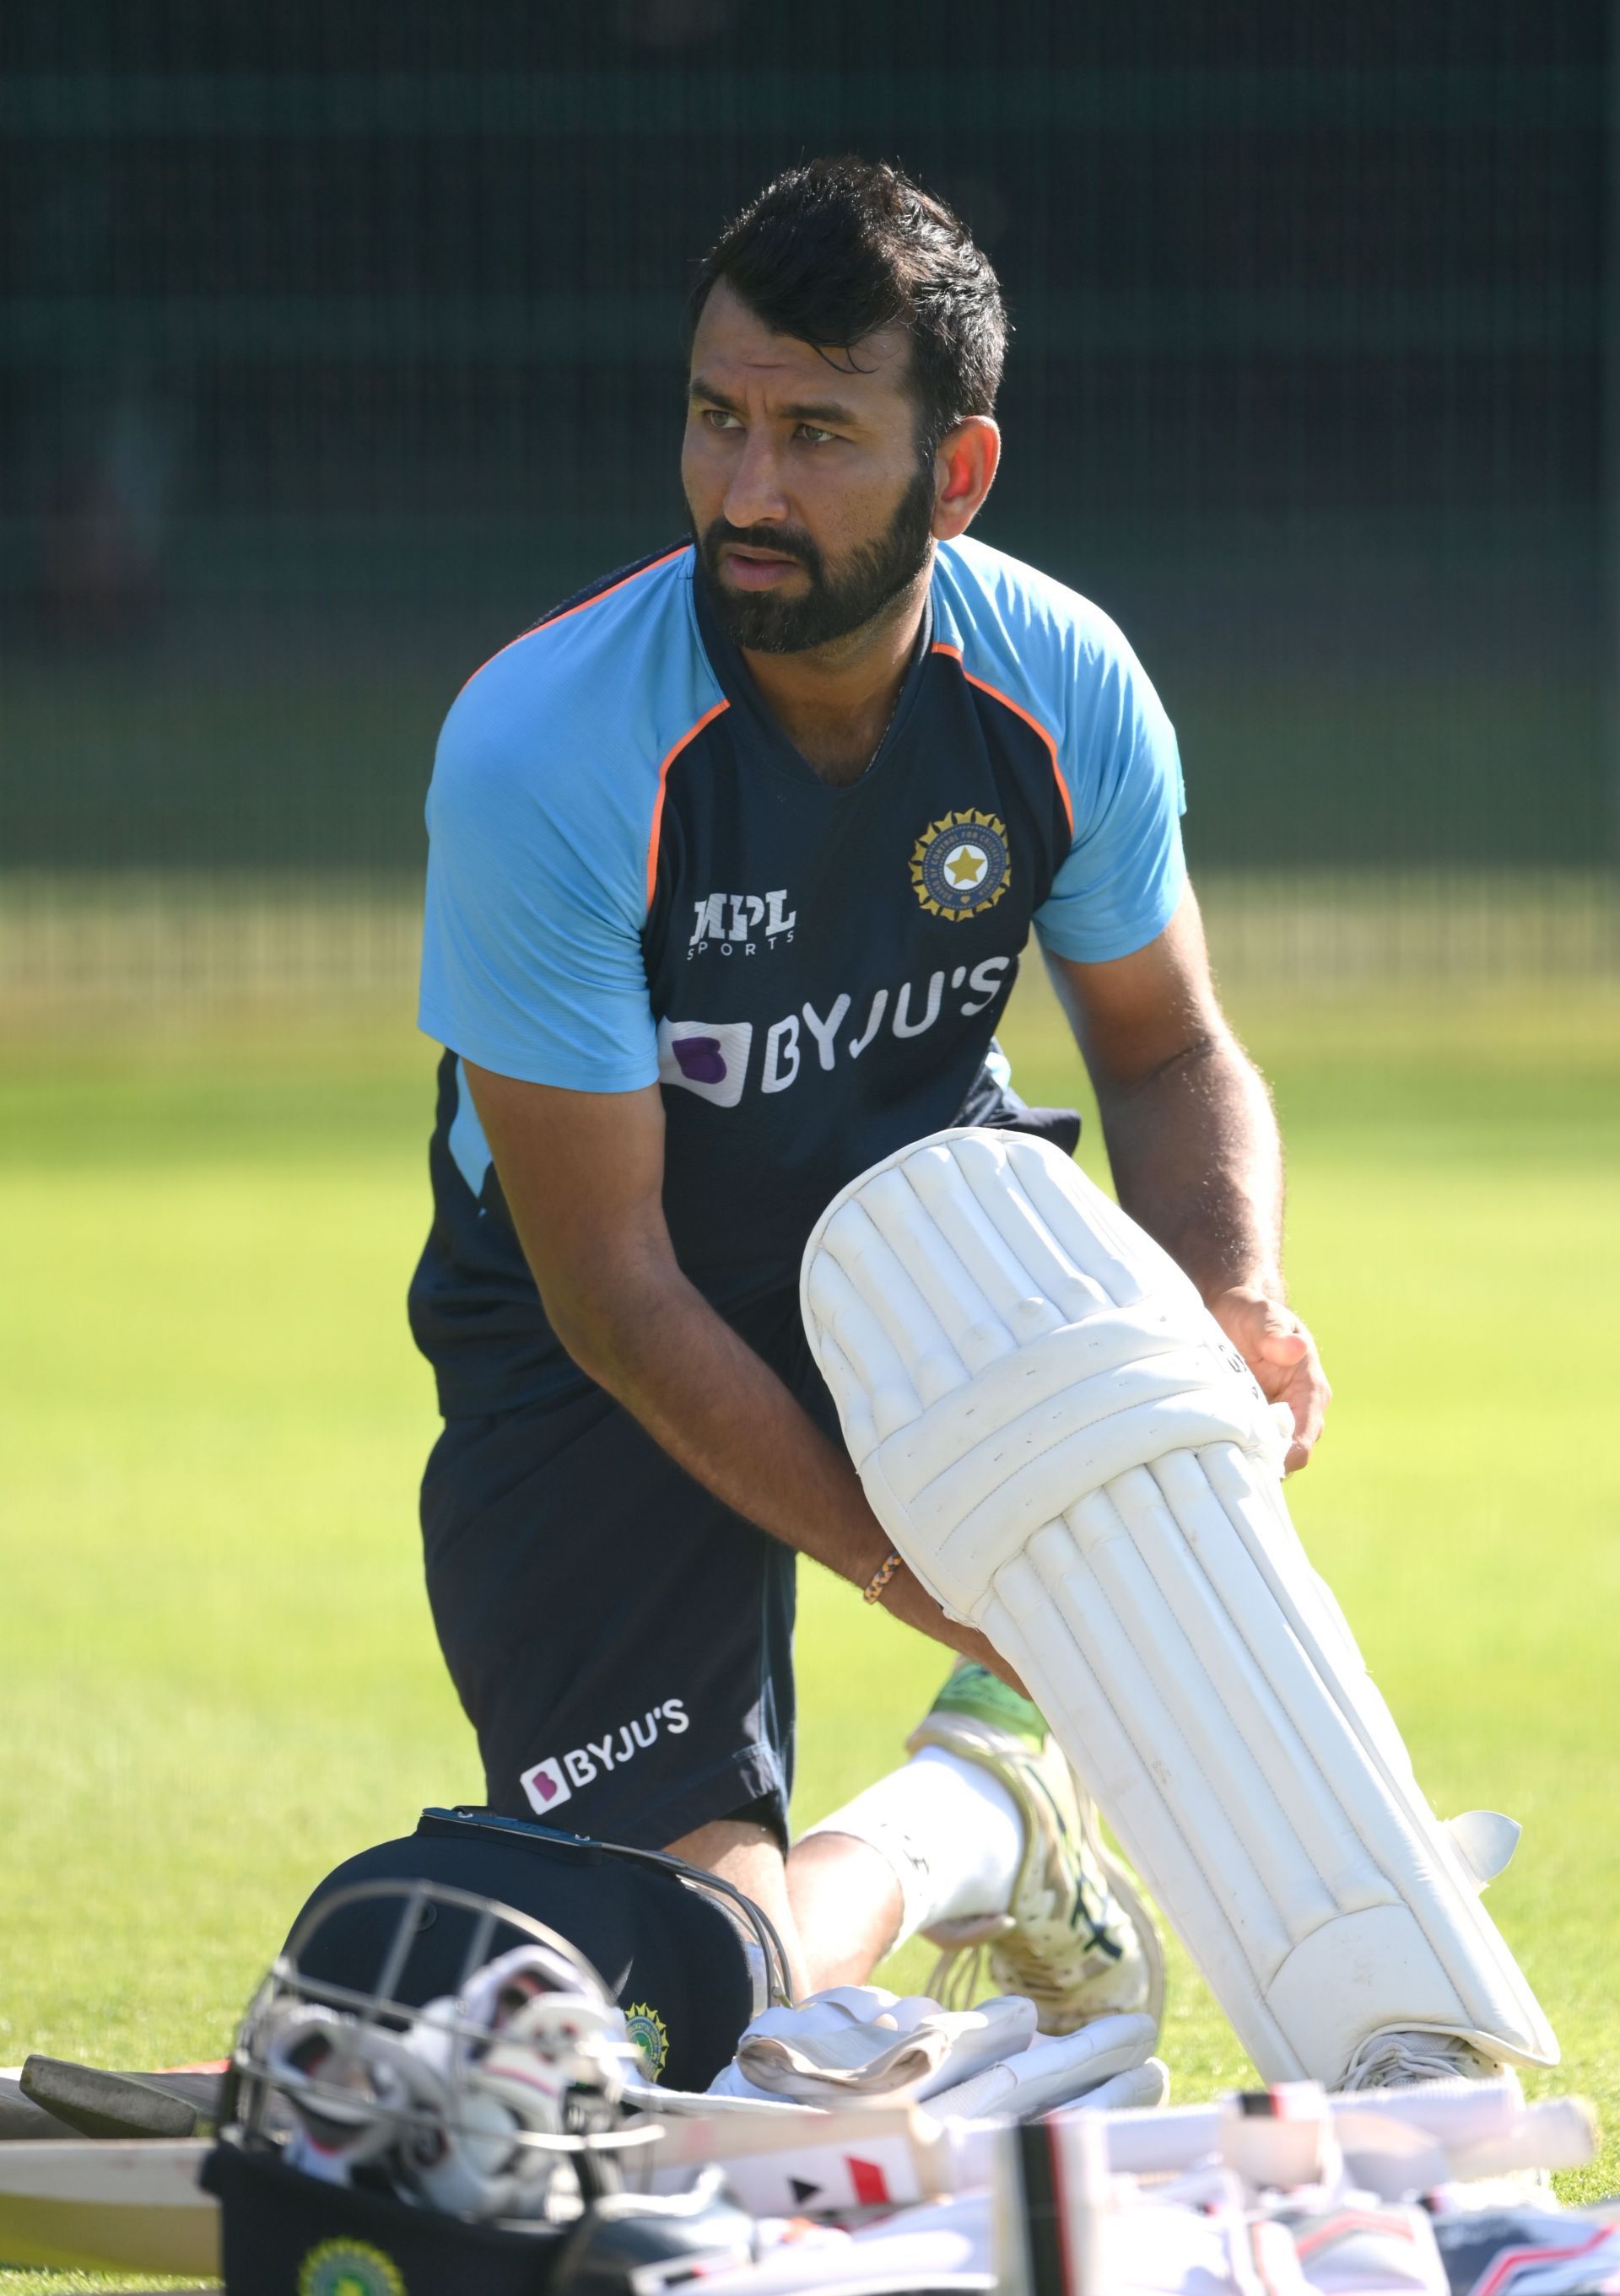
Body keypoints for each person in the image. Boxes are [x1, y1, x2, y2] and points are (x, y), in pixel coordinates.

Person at [409, 156, 1330, 2016]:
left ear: (957, 472)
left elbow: (1164, 1052)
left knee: (1166, 1389)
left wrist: (1227, 1300)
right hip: (603, 1320)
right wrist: (913, 1569)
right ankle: (978, 1816)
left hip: (928, 1246)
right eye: (718, 418)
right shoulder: (548, 746)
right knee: (688, 1993)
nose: (748, 492)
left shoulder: (1058, 683)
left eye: (820, 433)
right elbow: (616, 1289)